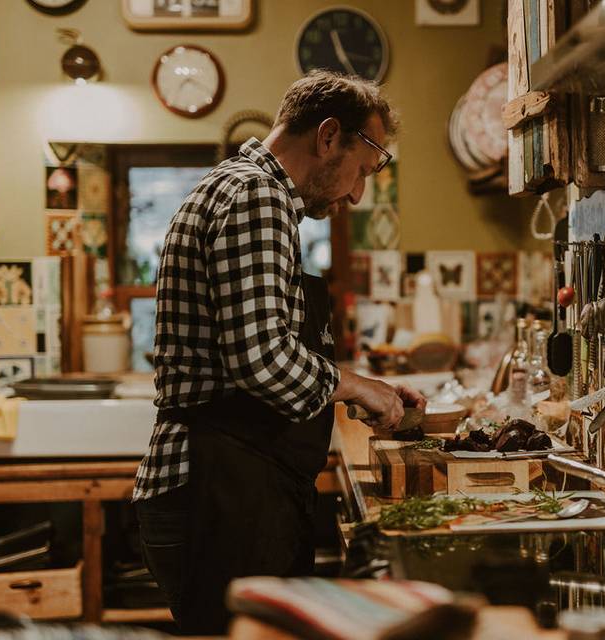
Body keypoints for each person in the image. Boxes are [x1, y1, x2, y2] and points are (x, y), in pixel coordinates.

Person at [132, 70, 424, 635]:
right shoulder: (257, 195)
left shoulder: (239, 188)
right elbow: (262, 359)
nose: (358, 193)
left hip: (230, 484)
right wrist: (360, 388)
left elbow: (266, 346)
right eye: (362, 171)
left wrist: (360, 384)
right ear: (328, 136)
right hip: (221, 490)